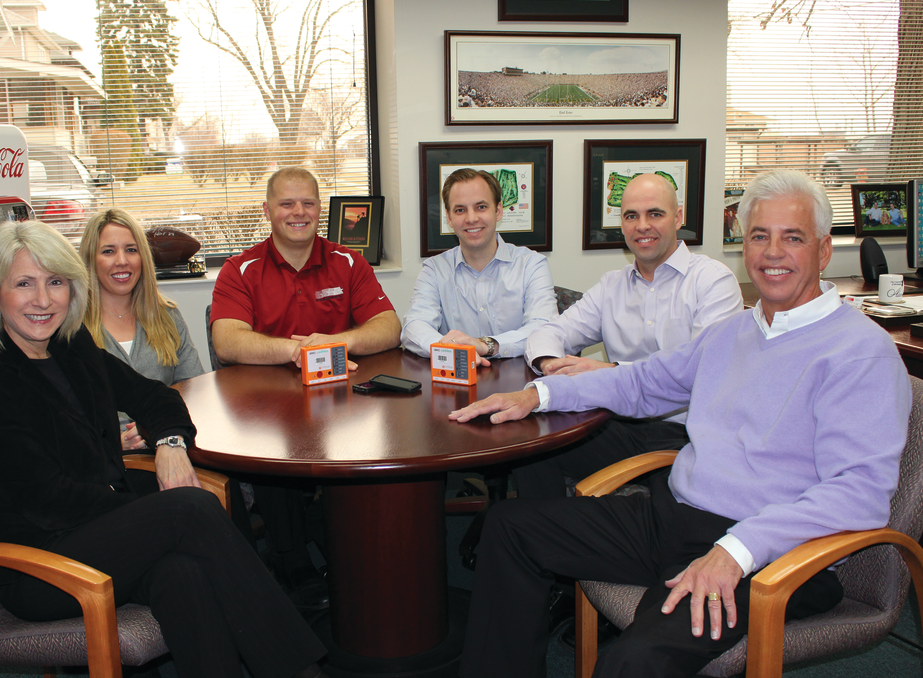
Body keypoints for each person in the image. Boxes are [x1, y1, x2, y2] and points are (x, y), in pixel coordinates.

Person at [449, 169, 912, 678]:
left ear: (823, 251)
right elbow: (641, 383)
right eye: (760, 236)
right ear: (744, 247)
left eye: (793, 238)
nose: (773, 252)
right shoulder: (733, 332)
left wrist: (737, 549)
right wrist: (537, 395)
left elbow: (859, 493)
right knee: (509, 528)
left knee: (632, 661)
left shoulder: (860, 350)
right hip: (676, 517)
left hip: (773, 555)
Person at [0, 220, 330, 678]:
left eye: (55, 282)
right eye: (24, 284)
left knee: (182, 574)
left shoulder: (69, 345)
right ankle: (300, 671)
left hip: (99, 536)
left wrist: (170, 444)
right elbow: (47, 502)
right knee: (188, 508)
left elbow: (154, 396)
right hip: (41, 564)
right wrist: (147, 512)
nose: (43, 300)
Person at [210, 166, 401, 610]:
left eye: (308, 203)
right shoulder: (240, 269)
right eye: (287, 203)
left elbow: (389, 327)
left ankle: (355, 544)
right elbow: (227, 341)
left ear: (320, 209)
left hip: (340, 402)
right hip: (267, 405)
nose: (298, 212)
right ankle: (293, 563)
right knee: (274, 452)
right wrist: (295, 351)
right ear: (267, 211)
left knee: (375, 443)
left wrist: (335, 343)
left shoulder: (347, 261)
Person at [513, 173, 743, 500]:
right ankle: (540, 527)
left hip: (687, 435)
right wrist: (551, 363)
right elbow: (550, 332)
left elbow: (699, 374)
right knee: (531, 438)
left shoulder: (712, 281)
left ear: (678, 217)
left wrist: (611, 372)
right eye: (631, 216)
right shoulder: (612, 286)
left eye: (655, 214)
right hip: (618, 424)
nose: (642, 226)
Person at [79, 208, 205, 453]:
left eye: (131, 250)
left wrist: (164, 429)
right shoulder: (71, 327)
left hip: (171, 445)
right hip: (101, 458)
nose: (122, 261)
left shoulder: (167, 316)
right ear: (90, 259)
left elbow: (195, 391)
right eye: (108, 251)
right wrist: (112, 443)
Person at [401, 168, 558, 362]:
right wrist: (452, 350)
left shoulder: (531, 265)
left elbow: (543, 327)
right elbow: (413, 326)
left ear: (498, 211)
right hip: (459, 374)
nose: (471, 218)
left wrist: (486, 346)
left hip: (519, 377)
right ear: (449, 218)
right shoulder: (434, 270)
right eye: (460, 210)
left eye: (481, 207)